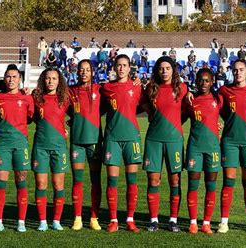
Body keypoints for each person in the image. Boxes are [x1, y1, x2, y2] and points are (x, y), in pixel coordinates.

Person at [216, 59, 246, 234]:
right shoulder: (224, 90)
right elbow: (214, 107)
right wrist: (216, 122)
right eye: (235, 70)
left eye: (241, 70)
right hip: (230, 141)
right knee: (228, 182)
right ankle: (223, 222)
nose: (238, 73)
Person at [142, 56, 187, 232]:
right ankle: (154, 220)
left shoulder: (182, 89)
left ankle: (173, 220)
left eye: (167, 68)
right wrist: (148, 111)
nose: (164, 71)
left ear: (173, 70)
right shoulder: (151, 88)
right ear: (157, 70)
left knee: (174, 181)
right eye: (161, 68)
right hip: (154, 139)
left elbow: (190, 110)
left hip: (174, 140)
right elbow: (141, 102)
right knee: (153, 180)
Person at [0, 64, 34, 232]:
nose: (11, 80)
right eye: (8, 76)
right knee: (1, 184)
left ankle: (21, 222)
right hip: (3, 145)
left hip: (21, 144)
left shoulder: (27, 98)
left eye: (15, 77)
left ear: (20, 79)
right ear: (4, 78)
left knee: (21, 183)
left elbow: (31, 117)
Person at [100, 54, 142, 233]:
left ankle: (130, 219)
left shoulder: (137, 87)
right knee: (112, 181)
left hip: (132, 137)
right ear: (114, 67)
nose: (122, 68)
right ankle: (113, 220)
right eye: (119, 65)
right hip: (113, 139)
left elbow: (148, 106)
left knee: (132, 181)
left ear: (129, 68)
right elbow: (96, 109)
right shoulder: (106, 88)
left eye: (125, 65)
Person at [184, 68, 223, 234]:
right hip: (195, 147)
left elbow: (234, 113)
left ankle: (206, 222)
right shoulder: (191, 100)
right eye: (201, 80)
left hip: (213, 148)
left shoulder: (218, 98)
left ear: (212, 82)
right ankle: (193, 222)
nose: (204, 84)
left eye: (207, 80)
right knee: (193, 185)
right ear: (196, 81)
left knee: (210, 186)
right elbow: (178, 117)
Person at [31, 68, 70, 231]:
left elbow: (78, 113)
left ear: (59, 81)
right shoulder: (35, 98)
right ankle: (42, 221)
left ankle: (56, 220)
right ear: (43, 80)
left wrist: (65, 128)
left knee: (58, 184)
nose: (51, 81)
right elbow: (30, 116)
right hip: (41, 146)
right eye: (48, 78)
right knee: (41, 184)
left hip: (59, 147)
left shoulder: (65, 98)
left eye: (54, 78)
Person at [68, 60, 103, 231]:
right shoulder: (70, 91)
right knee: (78, 180)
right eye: (81, 70)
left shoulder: (100, 90)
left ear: (92, 72)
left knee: (95, 181)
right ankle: (78, 218)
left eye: (87, 70)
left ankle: (94, 218)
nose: (84, 73)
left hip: (95, 142)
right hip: (77, 143)